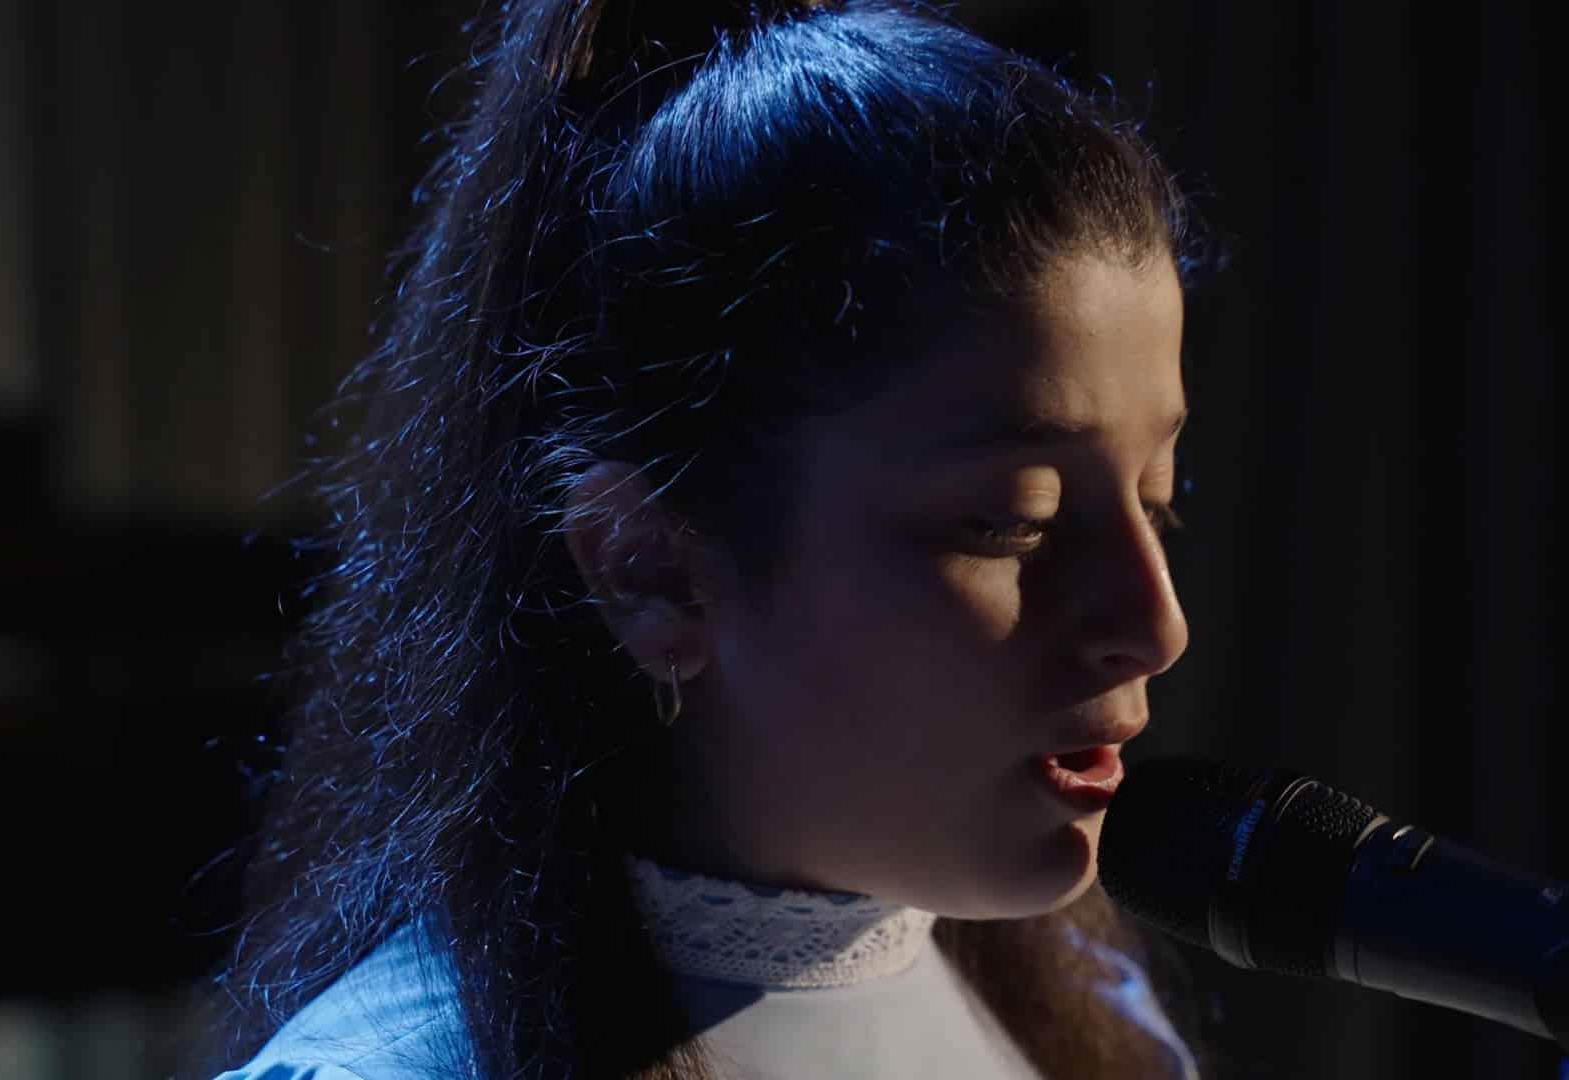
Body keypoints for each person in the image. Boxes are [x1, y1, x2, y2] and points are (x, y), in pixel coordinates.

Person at [196, 0, 1215, 1076]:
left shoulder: (1094, 1025)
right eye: (1016, 519)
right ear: (650, 568)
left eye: (1156, 498)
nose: (1156, 626)